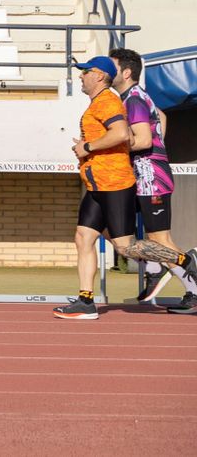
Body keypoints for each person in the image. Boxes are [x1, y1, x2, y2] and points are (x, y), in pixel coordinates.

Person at [54, 56, 136, 321]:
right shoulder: (98, 103)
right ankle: (86, 301)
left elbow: (122, 134)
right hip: (97, 183)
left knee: (125, 248)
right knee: (83, 237)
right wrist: (87, 145)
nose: (81, 76)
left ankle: (185, 261)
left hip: (114, 183)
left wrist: (87, 147)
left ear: (100, 75)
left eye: (85, 72)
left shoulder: (108, 101)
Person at [110, 48, 180, 304]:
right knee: (112, 228)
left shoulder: (134, 99)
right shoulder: (134, 97)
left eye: (112, 67)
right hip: (139, 177)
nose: (107, 72)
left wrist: (106, 145)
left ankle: (192, 285)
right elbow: (160, 116)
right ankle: (153, 266)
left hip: (152, 178)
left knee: (160, 239)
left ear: (126, 73)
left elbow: (143, 140)